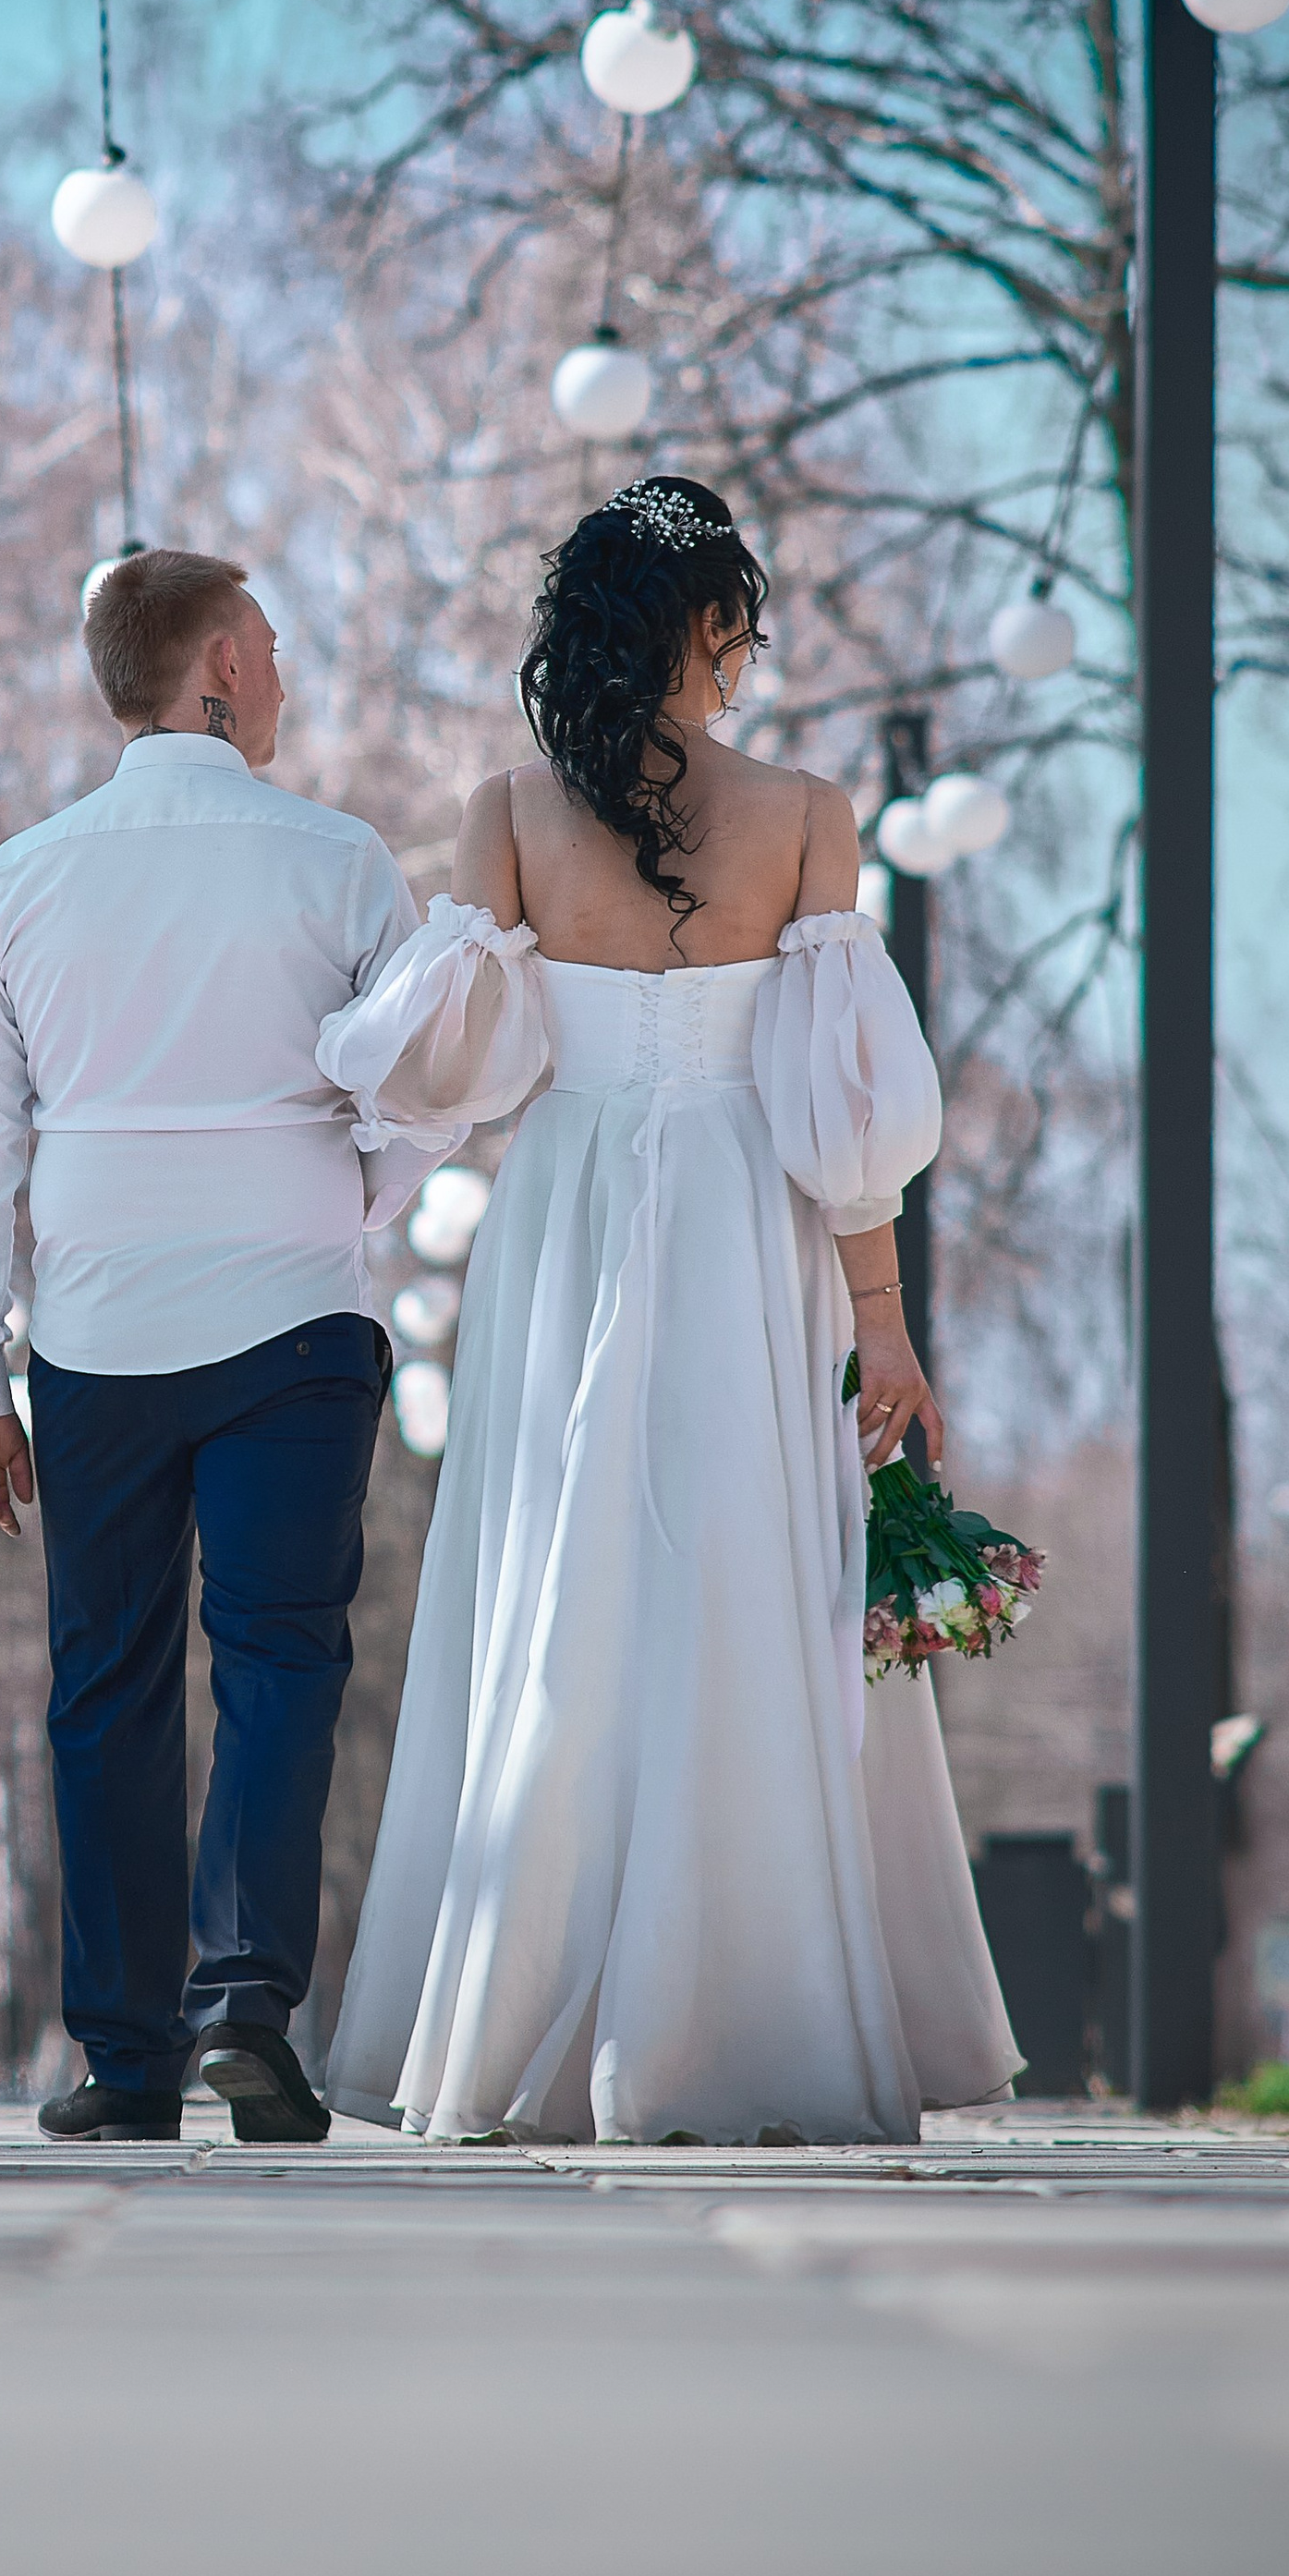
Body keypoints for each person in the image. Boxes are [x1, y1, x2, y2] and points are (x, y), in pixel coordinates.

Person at [319, 476, 1020, 2145]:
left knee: (561, 1575)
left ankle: (515, 2002)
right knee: (738, 1575)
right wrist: (887, 1321)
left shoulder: (506, 807)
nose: (749, 656)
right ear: (707, 629)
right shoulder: (807, 812)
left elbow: (448, 1074)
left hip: (560, 1214)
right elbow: (843, 1112)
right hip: (745, 1224)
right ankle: (746, 2009)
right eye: (741, 627)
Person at [0, 548, 425, 2144]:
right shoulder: (342, 863)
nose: (283, 675)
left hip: (98, 1326)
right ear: (218, 661)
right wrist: (351, 1199)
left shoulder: (21, 878)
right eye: (272, 648)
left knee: (108, 1685)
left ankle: (127, 2060)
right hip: (294, 1313)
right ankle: (246, 2006)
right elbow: (415, 1092)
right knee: (279, 1663)